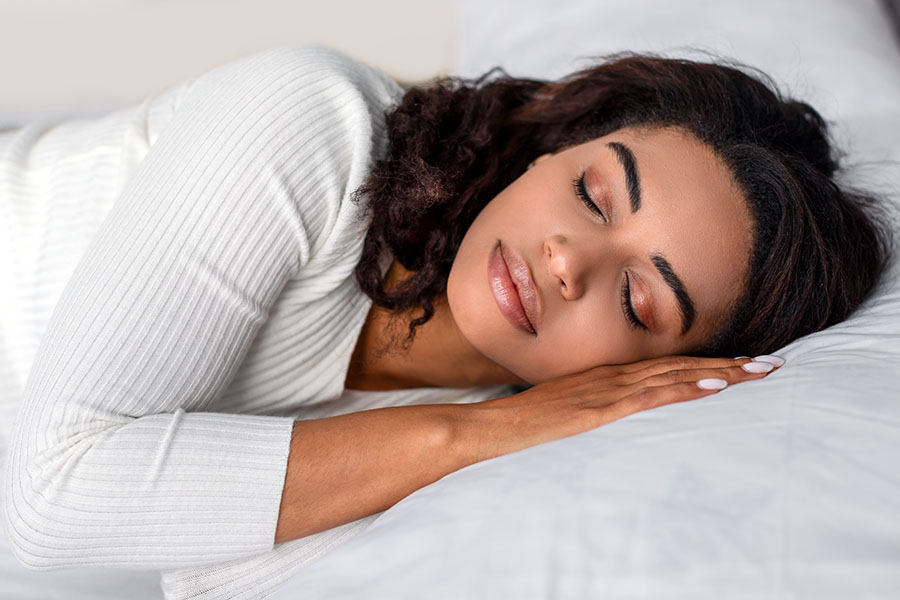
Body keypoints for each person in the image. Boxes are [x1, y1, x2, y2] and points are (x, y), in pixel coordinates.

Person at [0, 44, 891, 598]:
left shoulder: (521, 432)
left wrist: (488, 439)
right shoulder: (316, 123)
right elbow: (48, 500)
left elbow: (206, 578)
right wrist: (471, 435)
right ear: (554, 146)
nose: (567, 260)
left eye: (637, 299)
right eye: (592, 192)